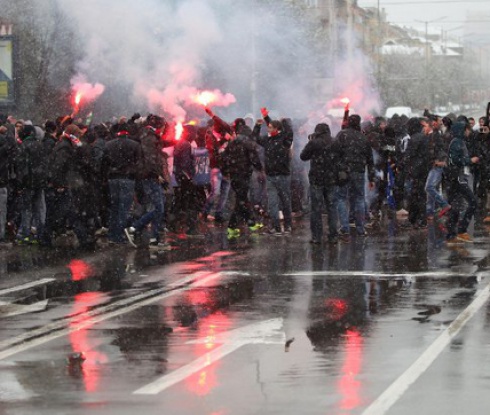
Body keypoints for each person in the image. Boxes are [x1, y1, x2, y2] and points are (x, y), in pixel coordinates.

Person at [252, 108, 294, 235]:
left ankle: (288, 226)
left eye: (270, 127)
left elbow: (288, 132)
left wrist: (269, 118)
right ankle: (275, 227)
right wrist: (258, 125)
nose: (268, 129)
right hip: (270, 176)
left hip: (283, 176)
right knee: (273, 203)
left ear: (277, 129)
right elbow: (255, 138)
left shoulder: (284, 140)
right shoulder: (268, 140)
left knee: (285, 202)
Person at [335, 114, 375, 239]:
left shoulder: (342, 135)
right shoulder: (363, 137)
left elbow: (335, 153)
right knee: (358, 198)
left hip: (343, 172)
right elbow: (370, 159)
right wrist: (371, 178)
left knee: (341, 198)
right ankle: (360, 229)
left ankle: (345, 228)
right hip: (359, 171)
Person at [220, 124, 263, 238]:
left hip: (234, 175)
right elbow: (254, 159)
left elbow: (224, 158)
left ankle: (243, 224)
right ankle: (240, 224)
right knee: (241, 200)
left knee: (241, 199)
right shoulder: (248, 144)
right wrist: (260, 168)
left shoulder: (231, 143)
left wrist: (225, 171)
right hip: (244, 175)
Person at [102, 123, 142, 245]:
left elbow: (104, 163)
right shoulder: (134, 145)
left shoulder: (108, 145)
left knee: (114, 207)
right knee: (124, 208)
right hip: (127, 178)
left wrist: (106, 177)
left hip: (113, 179)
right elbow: (139, 164)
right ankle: (120, 235)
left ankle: (112, 235)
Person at [300, 123, 339, 244]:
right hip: (332, 179)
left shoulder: (314, 143)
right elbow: (341, 157)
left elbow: (303, 156)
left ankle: (317, 236)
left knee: (316, 209)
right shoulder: (335, 142)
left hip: (317, 179)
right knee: (332, 208)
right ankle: (333, 236)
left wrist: (311, 142)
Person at [444, 121, 478, 244]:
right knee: (473, 202)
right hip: (458, 178)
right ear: (462, 130)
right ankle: (460, 231)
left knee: (456, 206)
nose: (469, 132)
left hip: (458, 178)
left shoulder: (459, 141)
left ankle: (452, 234)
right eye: (467, 130)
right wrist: (470, 160)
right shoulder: (457, 142)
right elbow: (455, 160)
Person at [0, 121, 16, 246]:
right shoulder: (6, 144)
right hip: (2, 182)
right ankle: (1, 236)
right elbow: (12, 146)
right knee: (2, 211)